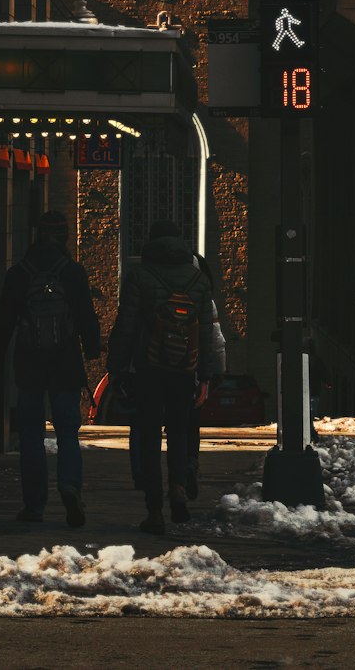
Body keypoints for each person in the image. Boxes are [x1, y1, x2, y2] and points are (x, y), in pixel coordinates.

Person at [0, 210, 100, 527]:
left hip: (29, 362)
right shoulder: (73, 272)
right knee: (68, 431)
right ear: (64, 236)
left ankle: (34, 505)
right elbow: (85, 317)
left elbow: (5, 319)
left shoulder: (20, 273)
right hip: (65, 362)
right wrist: (92, 349)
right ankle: (69, 486)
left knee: (30, 434)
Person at [107, 219, 214, 536]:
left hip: (148, 368)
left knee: (150, 436)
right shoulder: (198, 279)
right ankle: (178, 488)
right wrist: (205, 376)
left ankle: (154, 510)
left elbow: (125, 325)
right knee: (179, 431)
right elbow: (206, 333)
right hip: (184, 370)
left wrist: (117, 368)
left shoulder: (139, 276)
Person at [186, 251, 226, 499]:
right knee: (190, 424)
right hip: (191, 368)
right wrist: (215, 372)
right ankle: (189, 465)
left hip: (156, 366)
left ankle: (152, 483)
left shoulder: (148, 282)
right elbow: (214, 338)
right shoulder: (202, 294)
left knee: (149, 427)